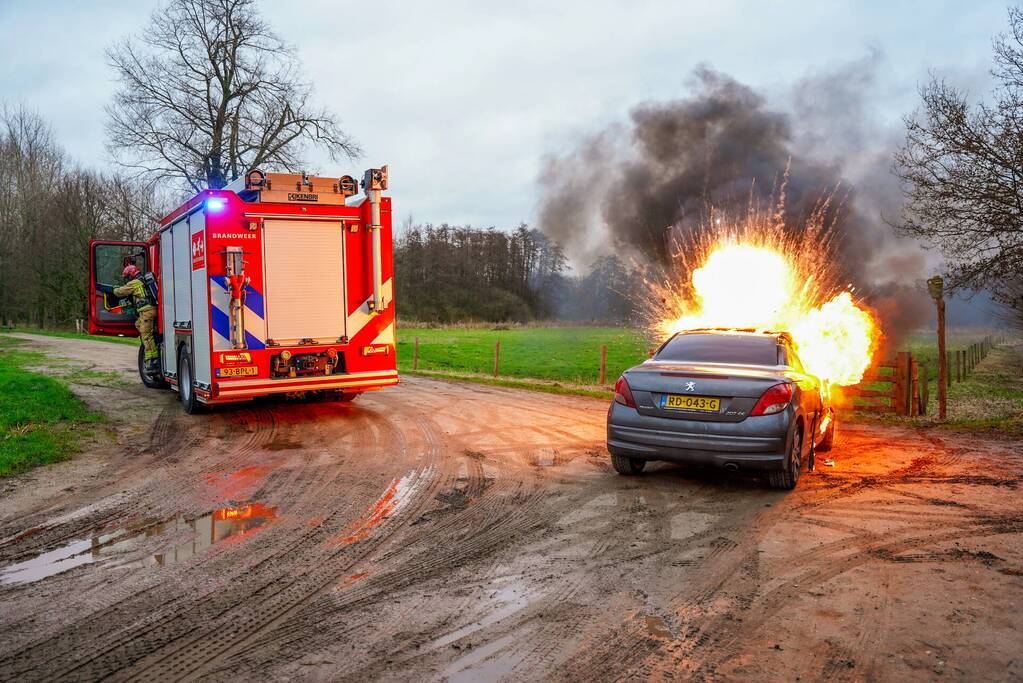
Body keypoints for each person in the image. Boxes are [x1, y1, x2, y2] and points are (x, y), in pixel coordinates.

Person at [103, 264, 159, 373]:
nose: (127, 279)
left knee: (146, 335)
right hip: (150, 311)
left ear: (130, 275)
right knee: (138, 324)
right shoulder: (143, 281)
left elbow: (120, 292)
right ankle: (153, 354)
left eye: (127, 277)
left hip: (147, 312)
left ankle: (153, 362)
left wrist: (113, 289)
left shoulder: (135, 283)